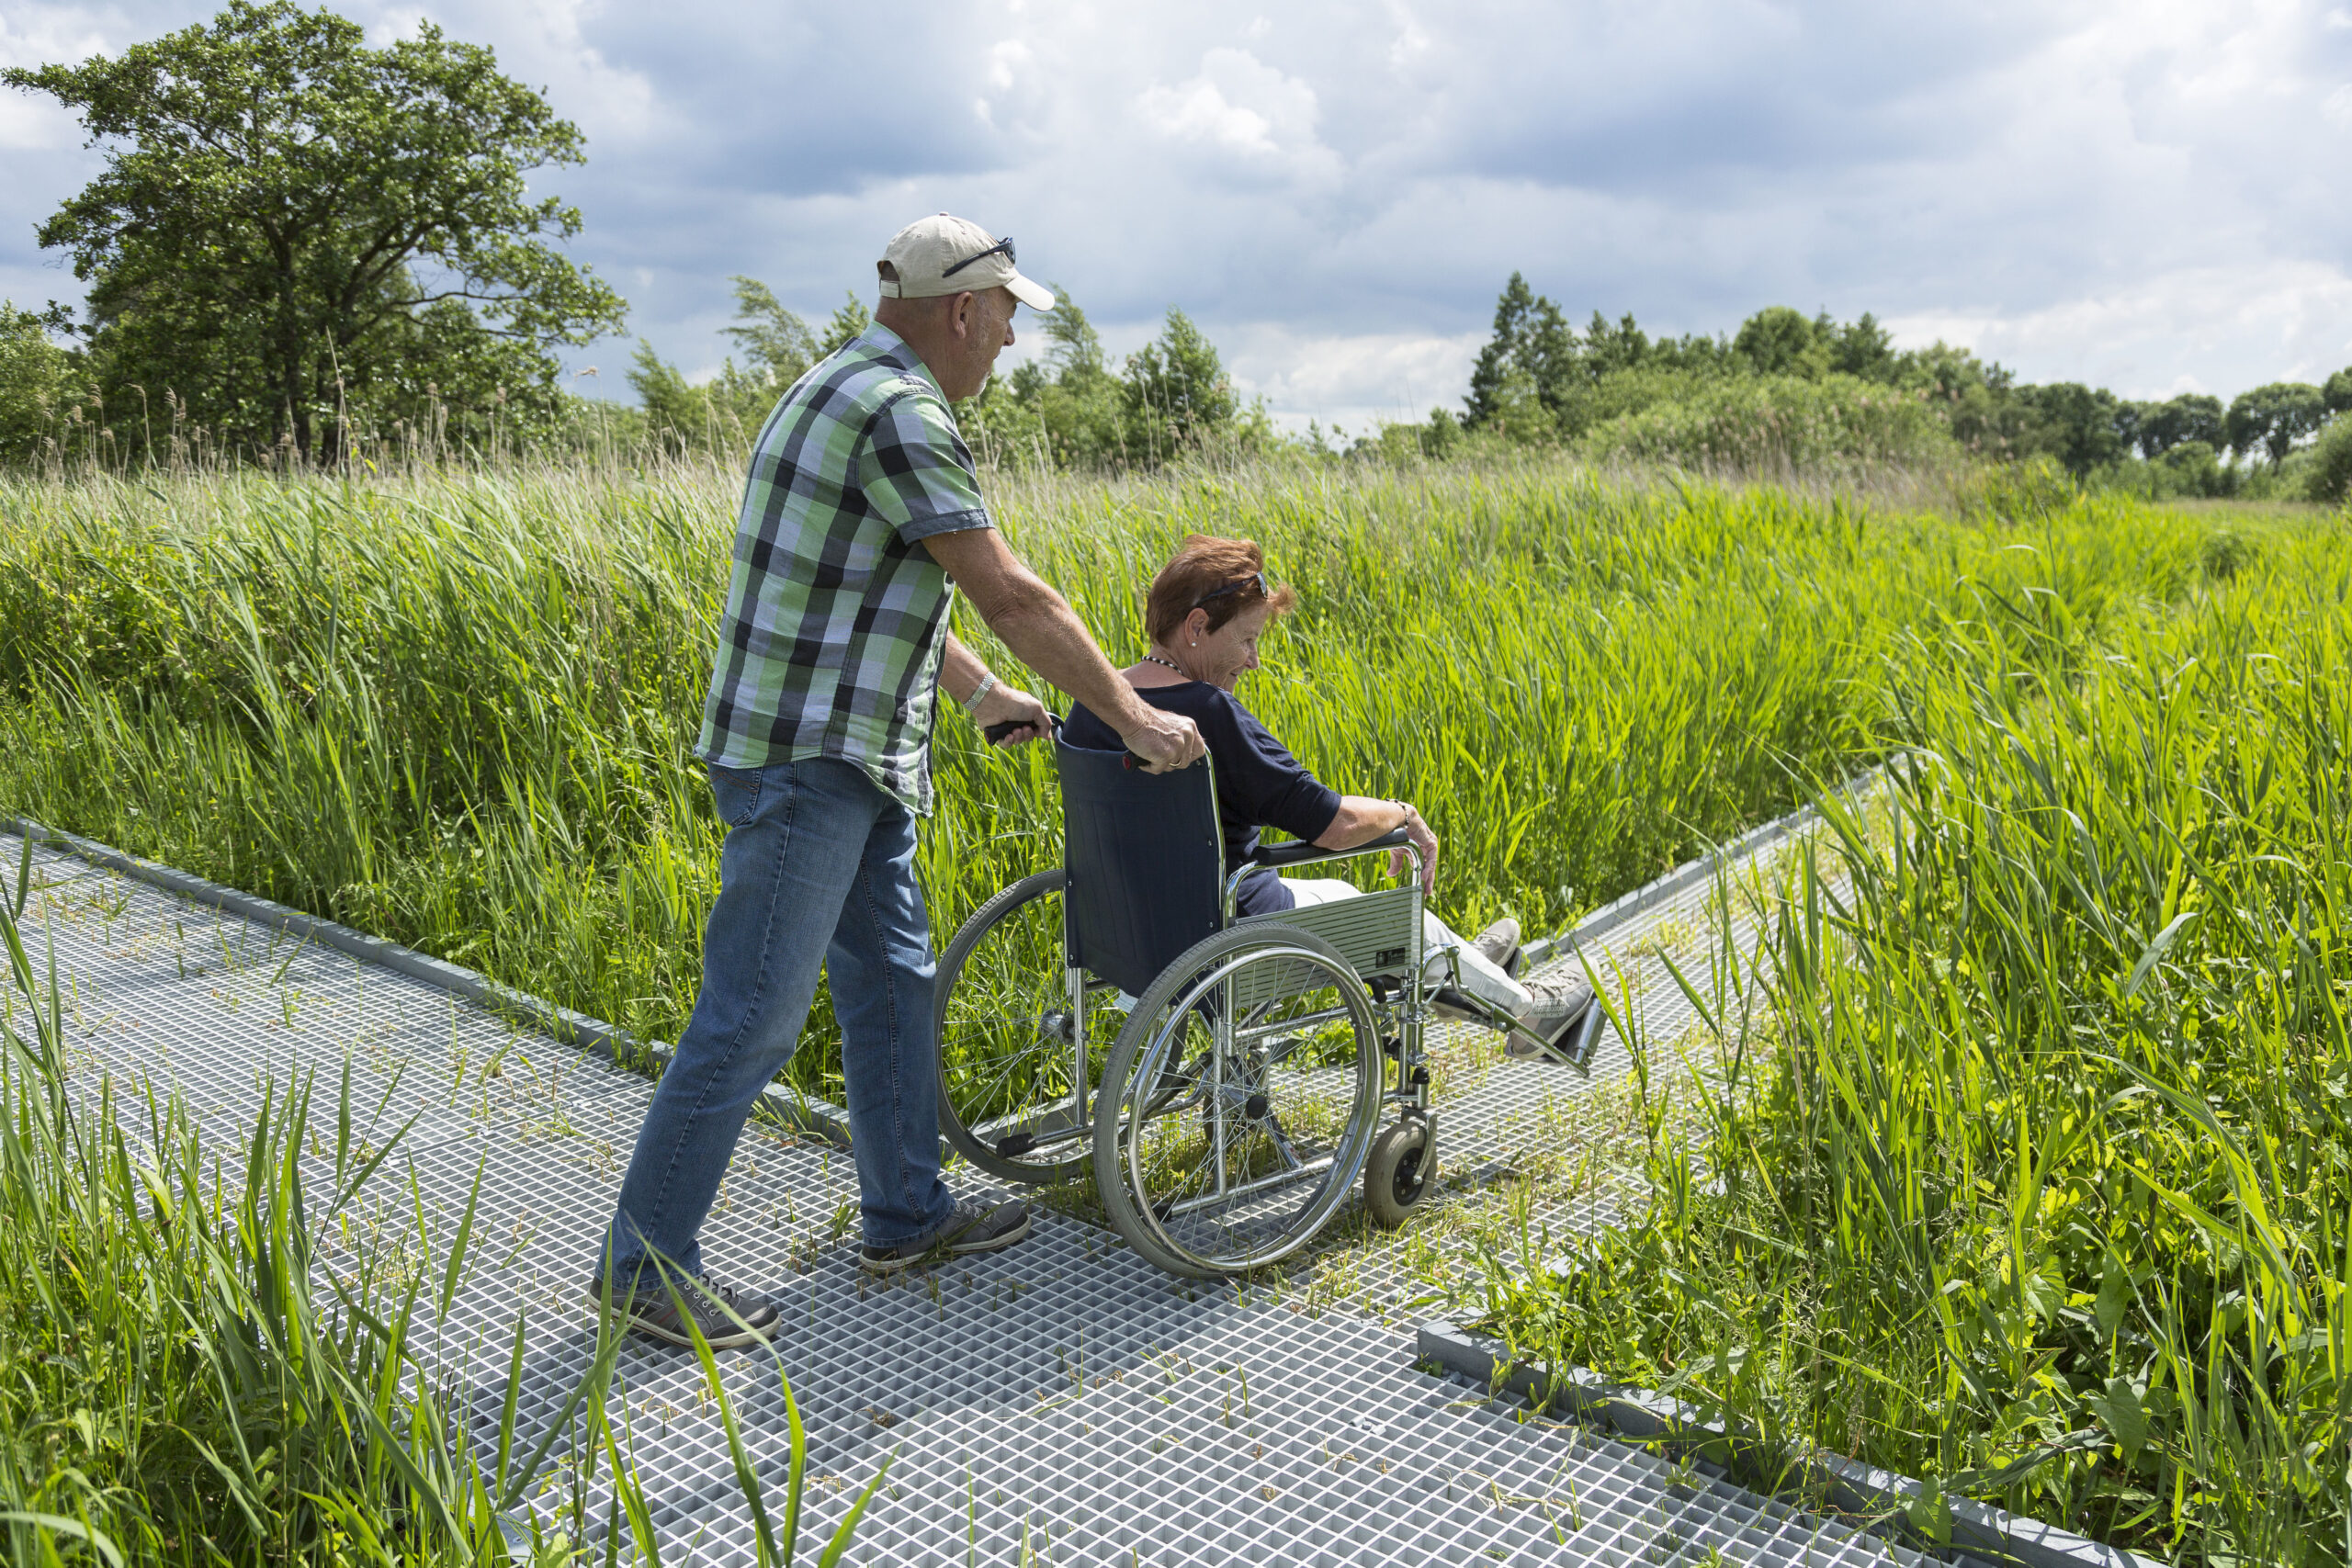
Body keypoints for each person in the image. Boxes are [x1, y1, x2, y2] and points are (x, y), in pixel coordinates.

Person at [592, 215, 1206, 1348]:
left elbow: (880, 585)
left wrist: (978, 694)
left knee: (892, 981)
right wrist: (1133, 717)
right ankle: (644, 1270)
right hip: (808, 763)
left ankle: (907, 1214)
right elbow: (1007, 592)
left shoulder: (835, 383)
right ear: (963, 309)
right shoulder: (902, 411)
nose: (1011, 341)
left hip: (846, 754)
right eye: (1007, 317)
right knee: (752, 1015)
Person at [1062, 534, 1593, 1047]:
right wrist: (1403, 813)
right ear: (1197, 626)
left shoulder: (1093, 705)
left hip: (1129, 935)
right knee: (1392, 918)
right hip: (1229, 933)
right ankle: (1527, 1010)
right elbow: (1334, 824)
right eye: (1247, 640)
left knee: (1353, 897)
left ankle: (1460, 965)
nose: (1254, 660)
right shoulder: (1207, 715)